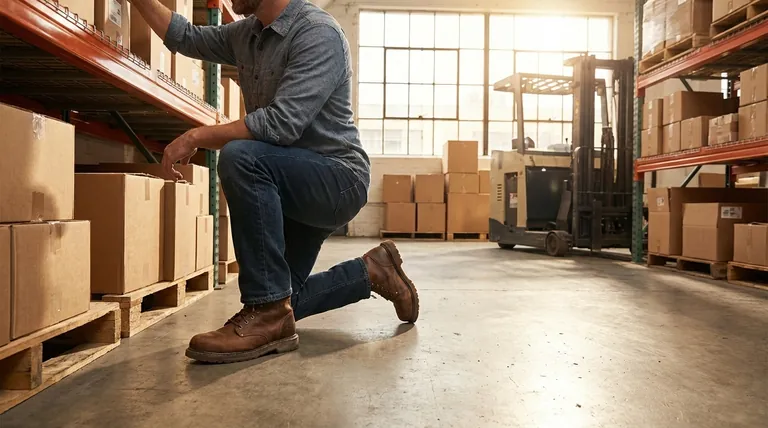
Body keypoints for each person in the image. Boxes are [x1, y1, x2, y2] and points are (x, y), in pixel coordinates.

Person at [129, 0, 419, 364]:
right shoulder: (247, 33)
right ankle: (372, 271)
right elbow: (186, 37)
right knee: (287, 298)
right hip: (287, 179)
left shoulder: (317, 32)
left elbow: (280, 124)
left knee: (240, 157)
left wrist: (196, 136)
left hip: (336, 178)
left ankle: (265, 310)